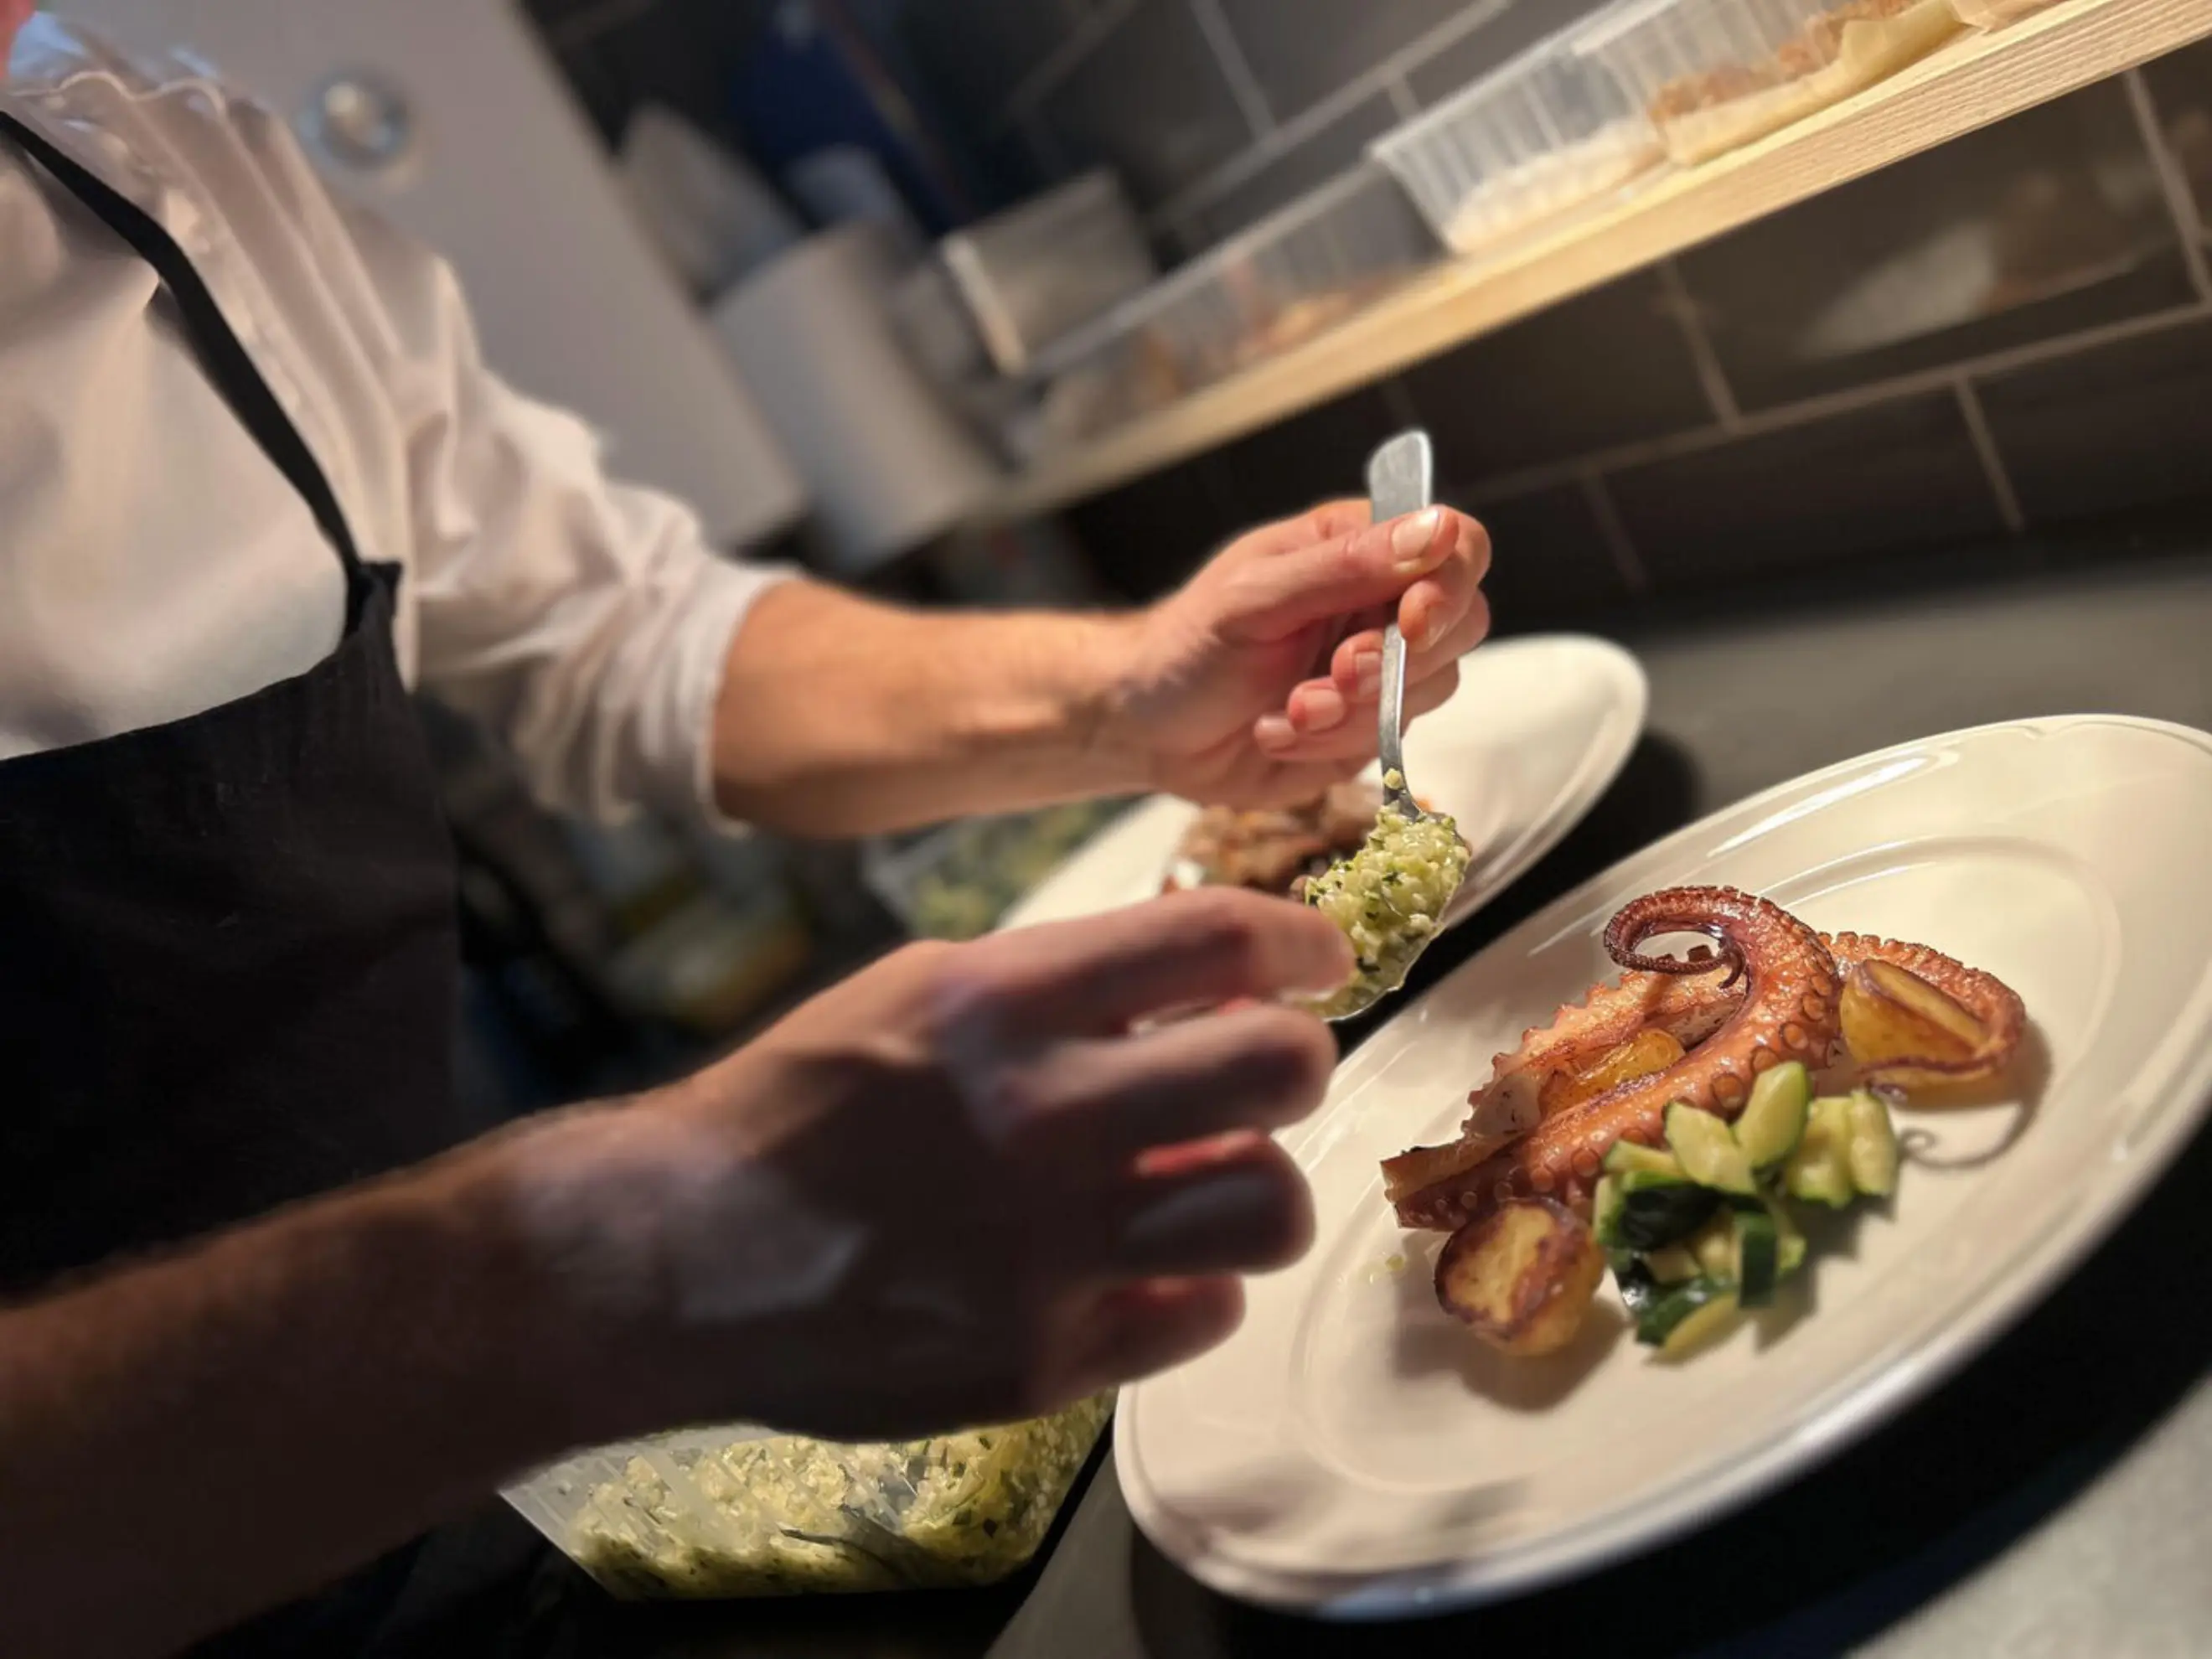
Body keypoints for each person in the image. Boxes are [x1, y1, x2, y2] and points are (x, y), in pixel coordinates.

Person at [0, 13, 1493, 1657]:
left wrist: (1122, 698)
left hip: (448, 1522)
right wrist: (598, 1262)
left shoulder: (167, 160)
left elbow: (617, 631)